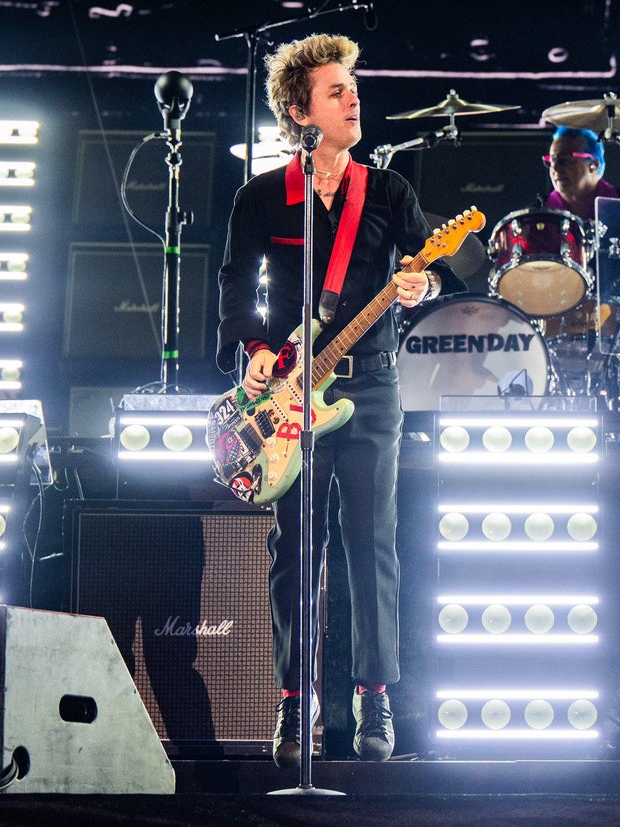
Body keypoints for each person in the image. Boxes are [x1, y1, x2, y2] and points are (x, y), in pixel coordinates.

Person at [215, 33, 465, 768]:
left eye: (353, 89)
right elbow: (235, 282)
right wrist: (256, 348)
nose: (354, 99)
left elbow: (430, 266)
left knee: (372, 545)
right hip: (292, 391)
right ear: (300, 110)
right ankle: (296, 706)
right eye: (336, 91)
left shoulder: (388, 191)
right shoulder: (261, 195)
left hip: (372, 387)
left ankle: (374, 694)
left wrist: (425, 284)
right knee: (294, 547)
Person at [542, 126, 620, 412]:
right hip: (556, 326)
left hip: (618, 320)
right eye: (552, 160)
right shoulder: (541, 215)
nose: (555, 168)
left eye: (565, 159)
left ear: (593, 164)